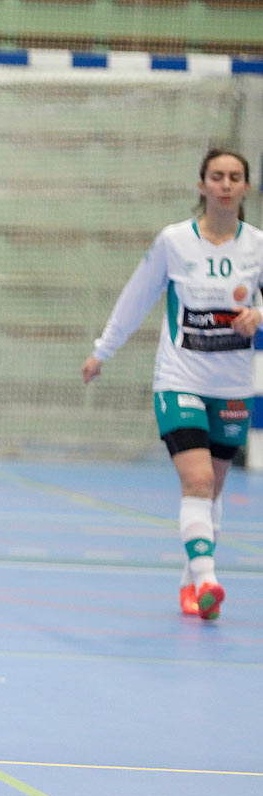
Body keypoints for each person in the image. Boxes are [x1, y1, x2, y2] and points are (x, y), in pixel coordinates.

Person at [82, 147, 256, 622]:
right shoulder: (174, 242)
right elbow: (136, 297)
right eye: (216, 176)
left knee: (212, 490)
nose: (224, 184)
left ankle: (190, 584)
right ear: (202, 186)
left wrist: (258, 317)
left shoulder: (257, 247)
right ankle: (208, 579)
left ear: (245, 188)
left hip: (234, 384)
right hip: (180, 379)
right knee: (197, 479)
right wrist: (104, 350)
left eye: (234, 177)